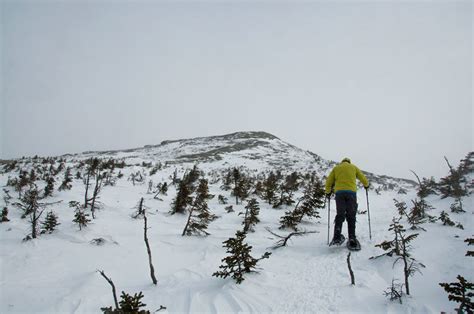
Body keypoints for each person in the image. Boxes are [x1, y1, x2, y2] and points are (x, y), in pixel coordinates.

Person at [325, 157, 369, 248]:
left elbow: (329, 181)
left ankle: (337, 237)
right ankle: (352, 238)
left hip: (339, 194)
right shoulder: (353, 167)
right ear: (349, 162)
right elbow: (362, 177)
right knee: (351, 215)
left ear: (342, 162)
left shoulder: (336, 168)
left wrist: (328, 192)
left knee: (340, 214)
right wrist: (366, 185)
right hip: (351, 194)